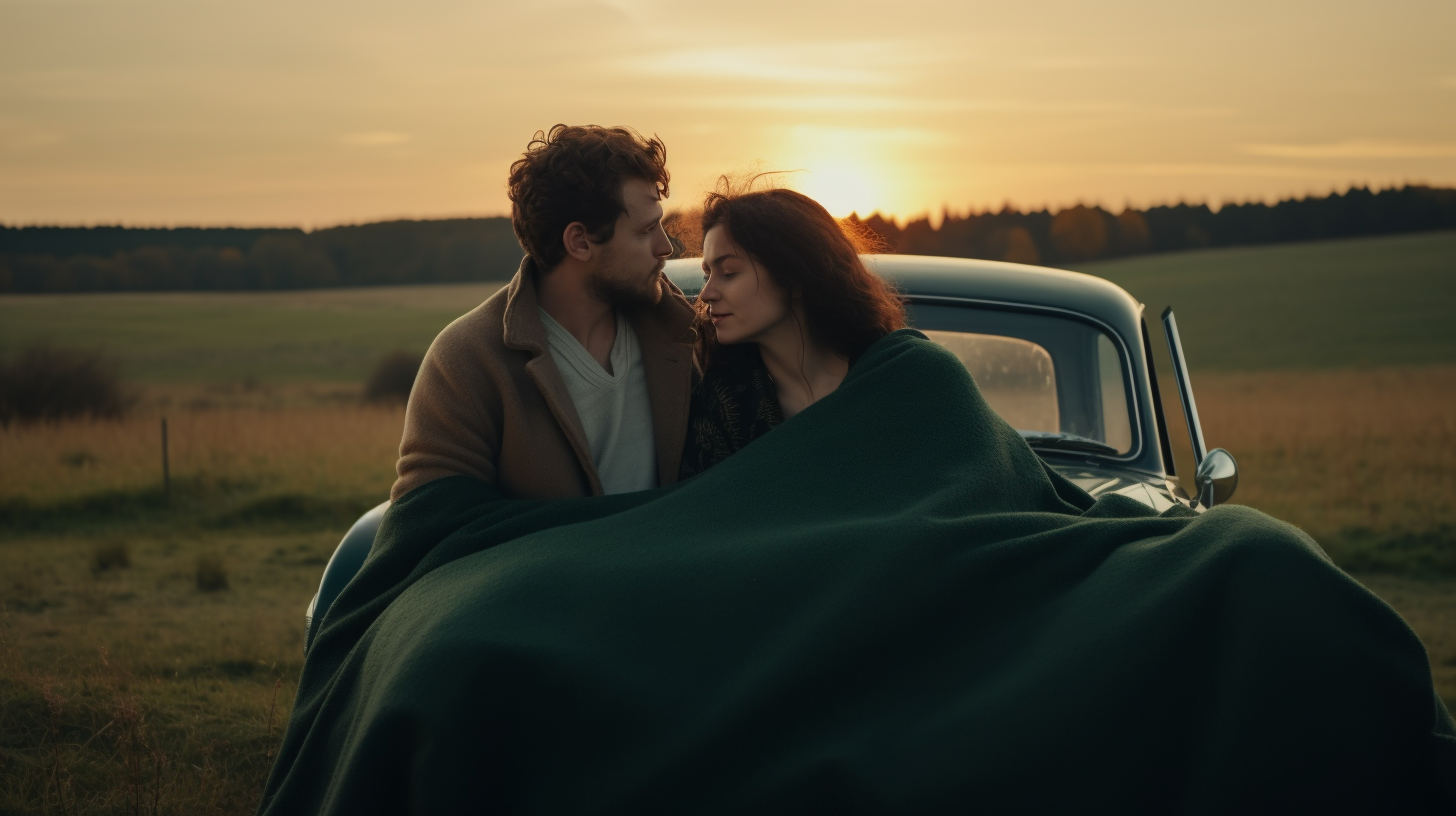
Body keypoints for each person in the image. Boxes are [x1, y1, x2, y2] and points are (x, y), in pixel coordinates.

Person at [392, 125, 697, 501]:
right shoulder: (466, 362)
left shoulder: (685, 332)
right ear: (580, 242)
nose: (666, 247)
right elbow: (429, 526)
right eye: (646, 230)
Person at [680, 183, 907, 478]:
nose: (706, 294)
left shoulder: (904, 375)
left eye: (729, 273)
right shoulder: (720, 409)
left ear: (794, 276)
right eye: (707, 275)